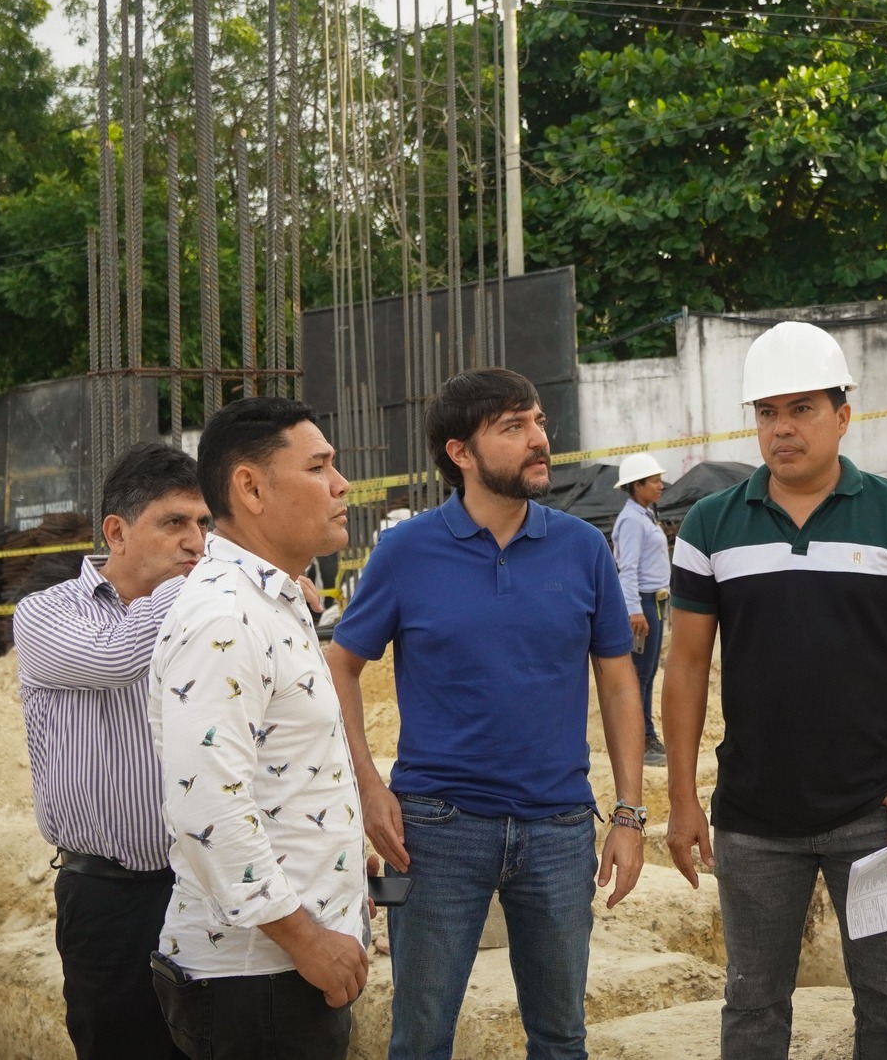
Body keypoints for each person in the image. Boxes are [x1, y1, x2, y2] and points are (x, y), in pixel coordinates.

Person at [662, 321, 887, 1060]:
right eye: (768, 412)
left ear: (843, 413)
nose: (782, 428)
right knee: (752, 1004)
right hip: (753, 818)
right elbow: (684, 666)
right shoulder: (711, 525)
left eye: (802, 408)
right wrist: (681, 797)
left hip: (878, 817)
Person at [326, 367, 647, 1060]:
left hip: (560, 829)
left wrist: (628, 812)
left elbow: (619, 683)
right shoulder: (404, 552)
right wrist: (368, 784)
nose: (539, 440)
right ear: (460, 453)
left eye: (537, 421)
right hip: (434, 830)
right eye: (513, 427)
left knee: (562, 1040)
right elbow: (340, 665)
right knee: (420, 1039)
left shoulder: (584, 548)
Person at [146, 397, 369, 1060]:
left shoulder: (271, 600)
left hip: (281, 972)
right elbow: (207, 803)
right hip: (258, 979)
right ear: (250, 487)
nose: (341, 484)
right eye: (320, 466)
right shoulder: (225, 615)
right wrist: (307, 938)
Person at [12, 442, 210, 1060]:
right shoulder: (45, 614)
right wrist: (204, 586)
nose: (196, 542)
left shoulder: (212, 614)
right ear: (117, 532)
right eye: (174, 522)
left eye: (205, 523)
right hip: (109, 899)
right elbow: (114, 657)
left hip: (207, 885)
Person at [611, 451, 673, 767]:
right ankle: (643, 738)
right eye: (655, 481)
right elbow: (628, 568)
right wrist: (634, 609)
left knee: (646, 674)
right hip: (643, 605)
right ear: (638, 486)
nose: (660, 486)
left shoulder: (644, 516)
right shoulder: (633, 522)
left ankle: (646, 734)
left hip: (654, 602)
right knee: (639, 675)